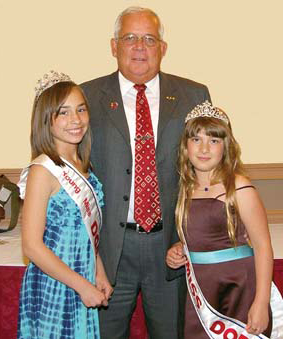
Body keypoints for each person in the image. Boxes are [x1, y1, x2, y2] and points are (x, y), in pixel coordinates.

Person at [81, 6, 211, 339]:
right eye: (130, 38)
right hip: (108, 251)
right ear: (114, 46)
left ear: (162, 49)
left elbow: (211, 172)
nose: (140, 47)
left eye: (149, 39)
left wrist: (188, 238)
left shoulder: (194, 95)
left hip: (171, 249)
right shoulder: (86, 97)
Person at [166, 101, 275, 338]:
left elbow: (263, 247)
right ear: (185, 146)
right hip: (201, 288)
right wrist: (179, 249)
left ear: (226, 147)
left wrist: (260, 302)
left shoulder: (239, 187)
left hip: (239, 287)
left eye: (213, 141)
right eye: (196, 140)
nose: (204, 148)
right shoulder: (184, 188)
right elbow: (198, 235)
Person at [17, 70, 113, 339]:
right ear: (46, 120)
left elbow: (88, 234)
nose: (76, 120)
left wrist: (99, 272)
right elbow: (31, 247)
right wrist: (82, 285)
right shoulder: (42, 171)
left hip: (83, 277)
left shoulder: (85, 168)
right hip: (55, 283)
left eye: (81, 110)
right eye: (64, 112)